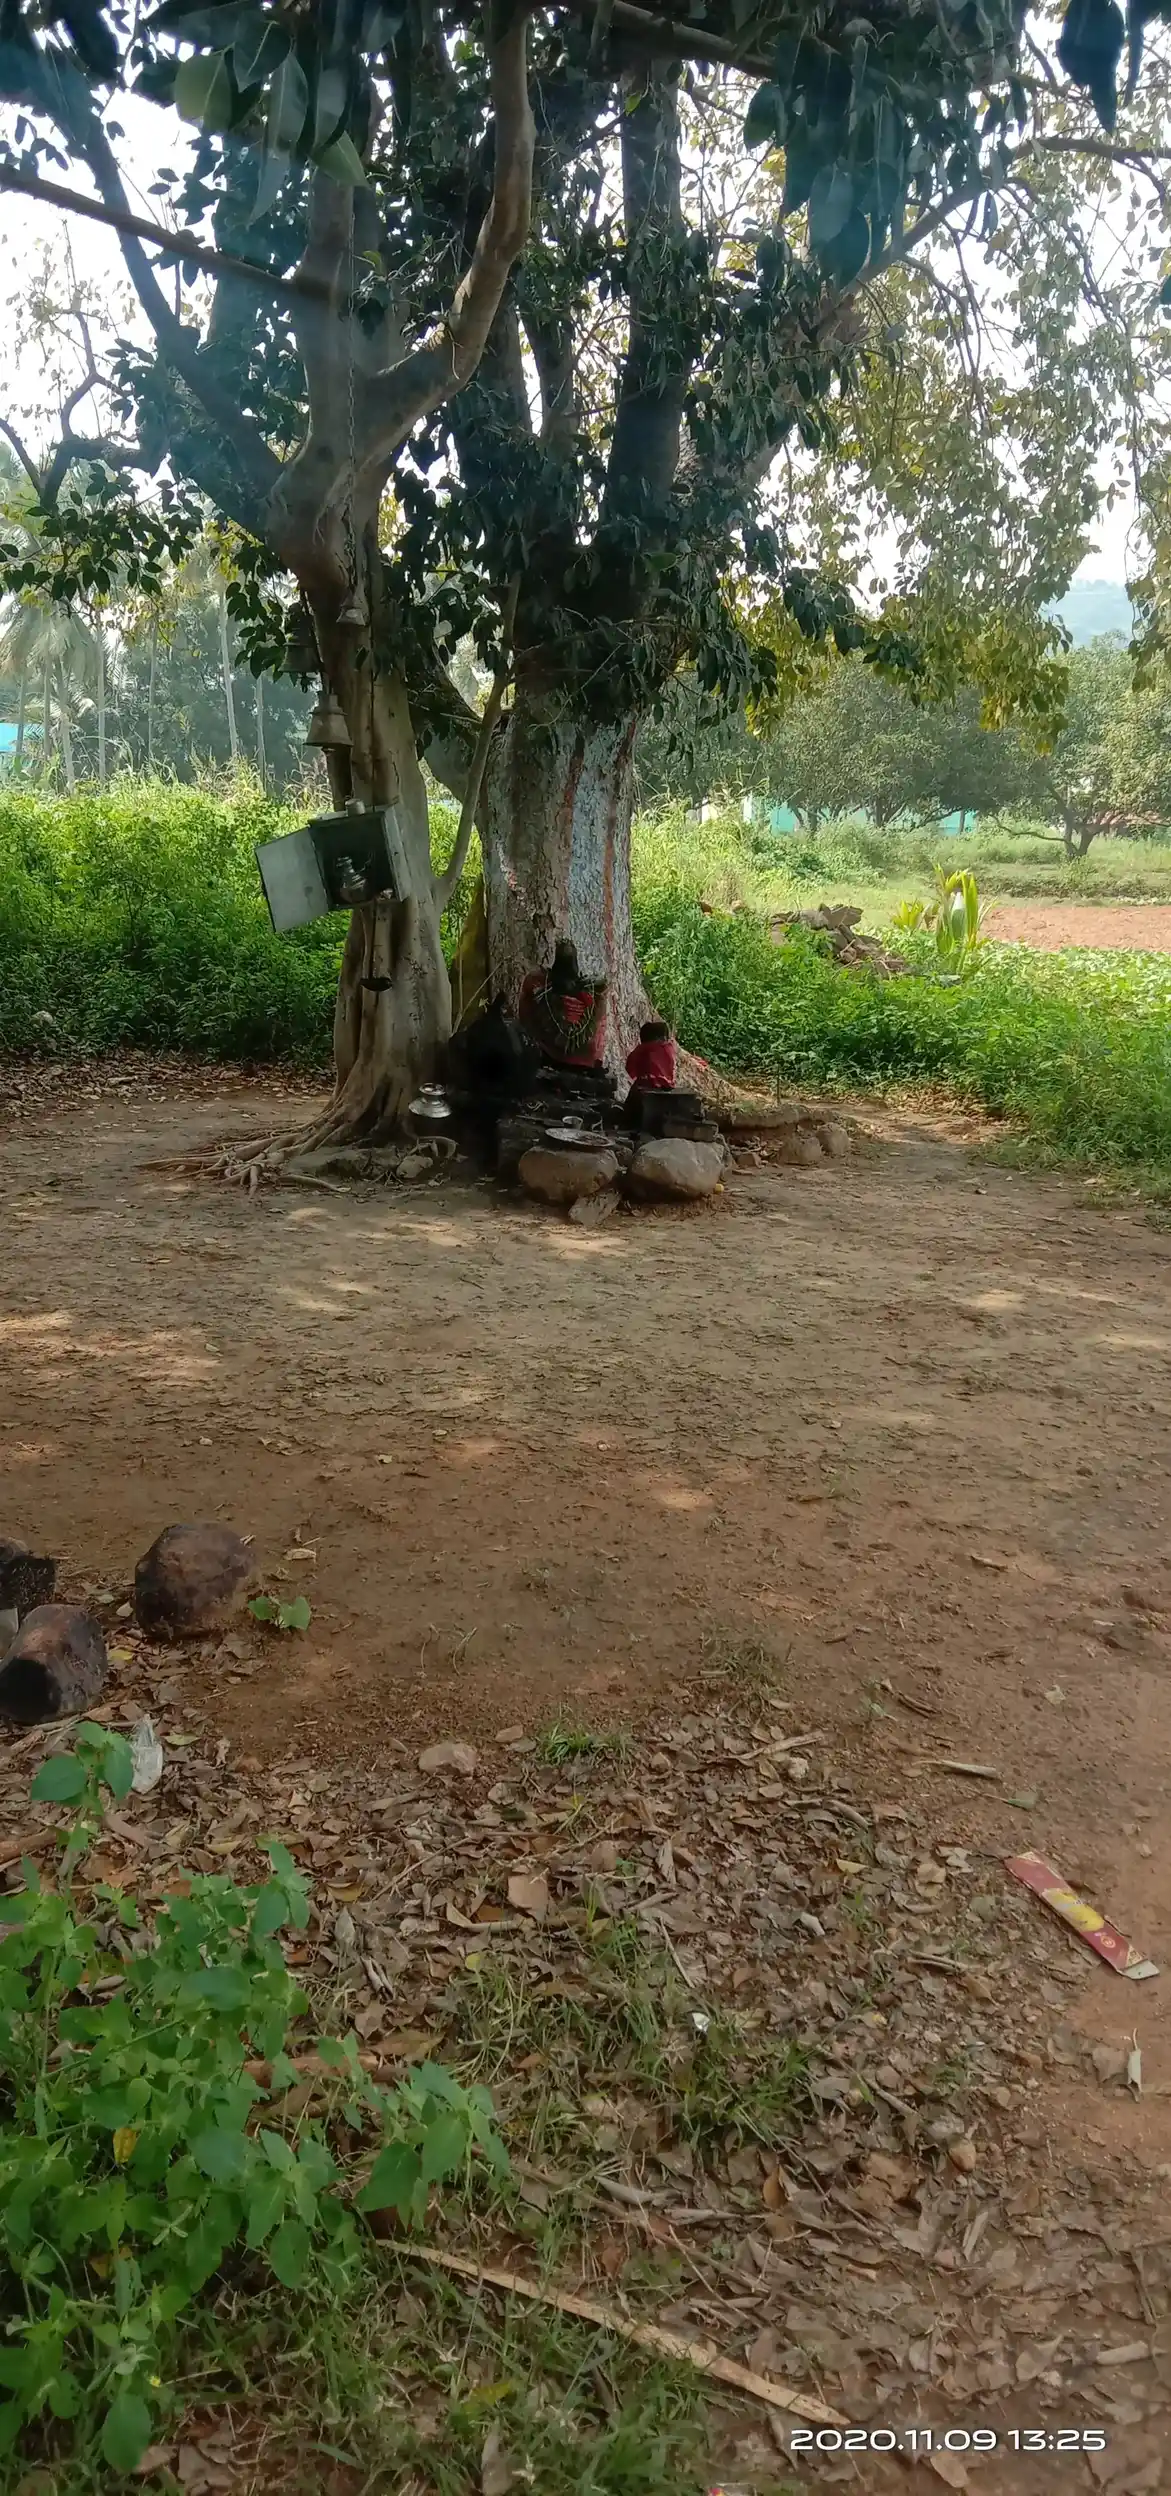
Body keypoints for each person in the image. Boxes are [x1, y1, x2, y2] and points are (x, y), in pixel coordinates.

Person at [518, 938, 609, 1070]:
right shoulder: (597, 990)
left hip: (547, 1052)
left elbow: (525, 1016)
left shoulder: (537, 982)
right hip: (585, 1057)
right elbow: (600, 1027)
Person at [625, 1019, 677, 1091]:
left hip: (646, 1087)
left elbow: (630, 1067)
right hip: (668, 1087)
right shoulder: (669, 1048)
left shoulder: (643, 1048)